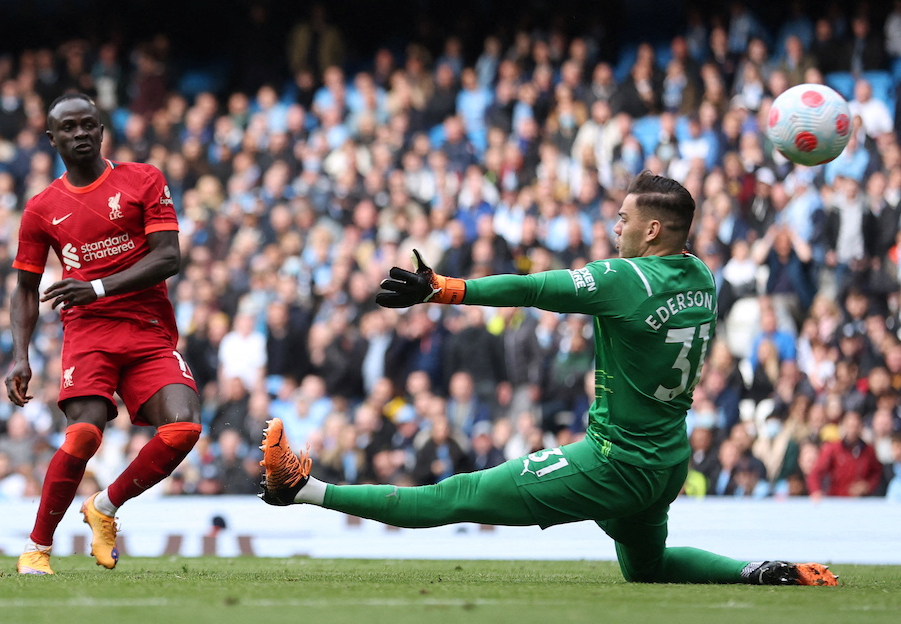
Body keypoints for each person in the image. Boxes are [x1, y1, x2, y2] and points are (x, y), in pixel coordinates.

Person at [258, 172, 838, 586]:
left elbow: (535, 289)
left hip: (614, 462)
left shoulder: (625, 279)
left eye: (625, 219)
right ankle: (763, 571)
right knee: (650, 571)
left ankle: (302, 488)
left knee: (455, 495)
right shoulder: (701, 275)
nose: (617, 227)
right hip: (665, 463)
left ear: (654, 230)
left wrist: (447, 289)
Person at [6, 93, 201, 574]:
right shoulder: (41, 209)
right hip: (88, 334)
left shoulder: (143, 179)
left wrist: (95, 286)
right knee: (83, 437)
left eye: (87, 125)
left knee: (183, 428)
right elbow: (25, 289)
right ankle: (37, 548)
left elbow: (169, 258)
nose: (79, 134)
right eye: (68, 128)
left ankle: (105, 507)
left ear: (101, 130)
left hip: (148, 329)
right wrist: (20, 355)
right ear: (52, 139)